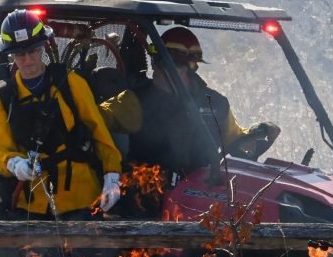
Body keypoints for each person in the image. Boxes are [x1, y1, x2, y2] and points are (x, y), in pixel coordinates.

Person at [100, 27, 279, 216]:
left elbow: (235, 138)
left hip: (201, 201)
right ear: (156, 61)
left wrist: (259, 131)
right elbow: (94, 121)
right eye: (176, 63)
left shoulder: (215, 103)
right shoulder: (134, 100)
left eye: (188, 64)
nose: (185, 71)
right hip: (146, 204)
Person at [0, 9, 123, 219]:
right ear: (11, 56)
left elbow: (99, 132)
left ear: (42, 47)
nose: (28, 60)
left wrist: (112, 174)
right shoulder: (1, 101)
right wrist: (14, 163)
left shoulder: (71, 84)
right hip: (31, 205)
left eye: (33, 51)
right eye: (20, 54)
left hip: (81, 198)